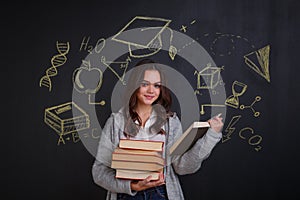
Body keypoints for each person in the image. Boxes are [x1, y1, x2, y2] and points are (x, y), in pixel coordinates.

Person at [92, 59, 224, 200]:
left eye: (156, 86)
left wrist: (211, 137)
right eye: (144, 84)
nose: (151, 90)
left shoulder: (171, 123)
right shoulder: (115, 122)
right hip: (127, 194)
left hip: (161, 193)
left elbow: (182, 166)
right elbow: (99, 172)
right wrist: (132, 186)